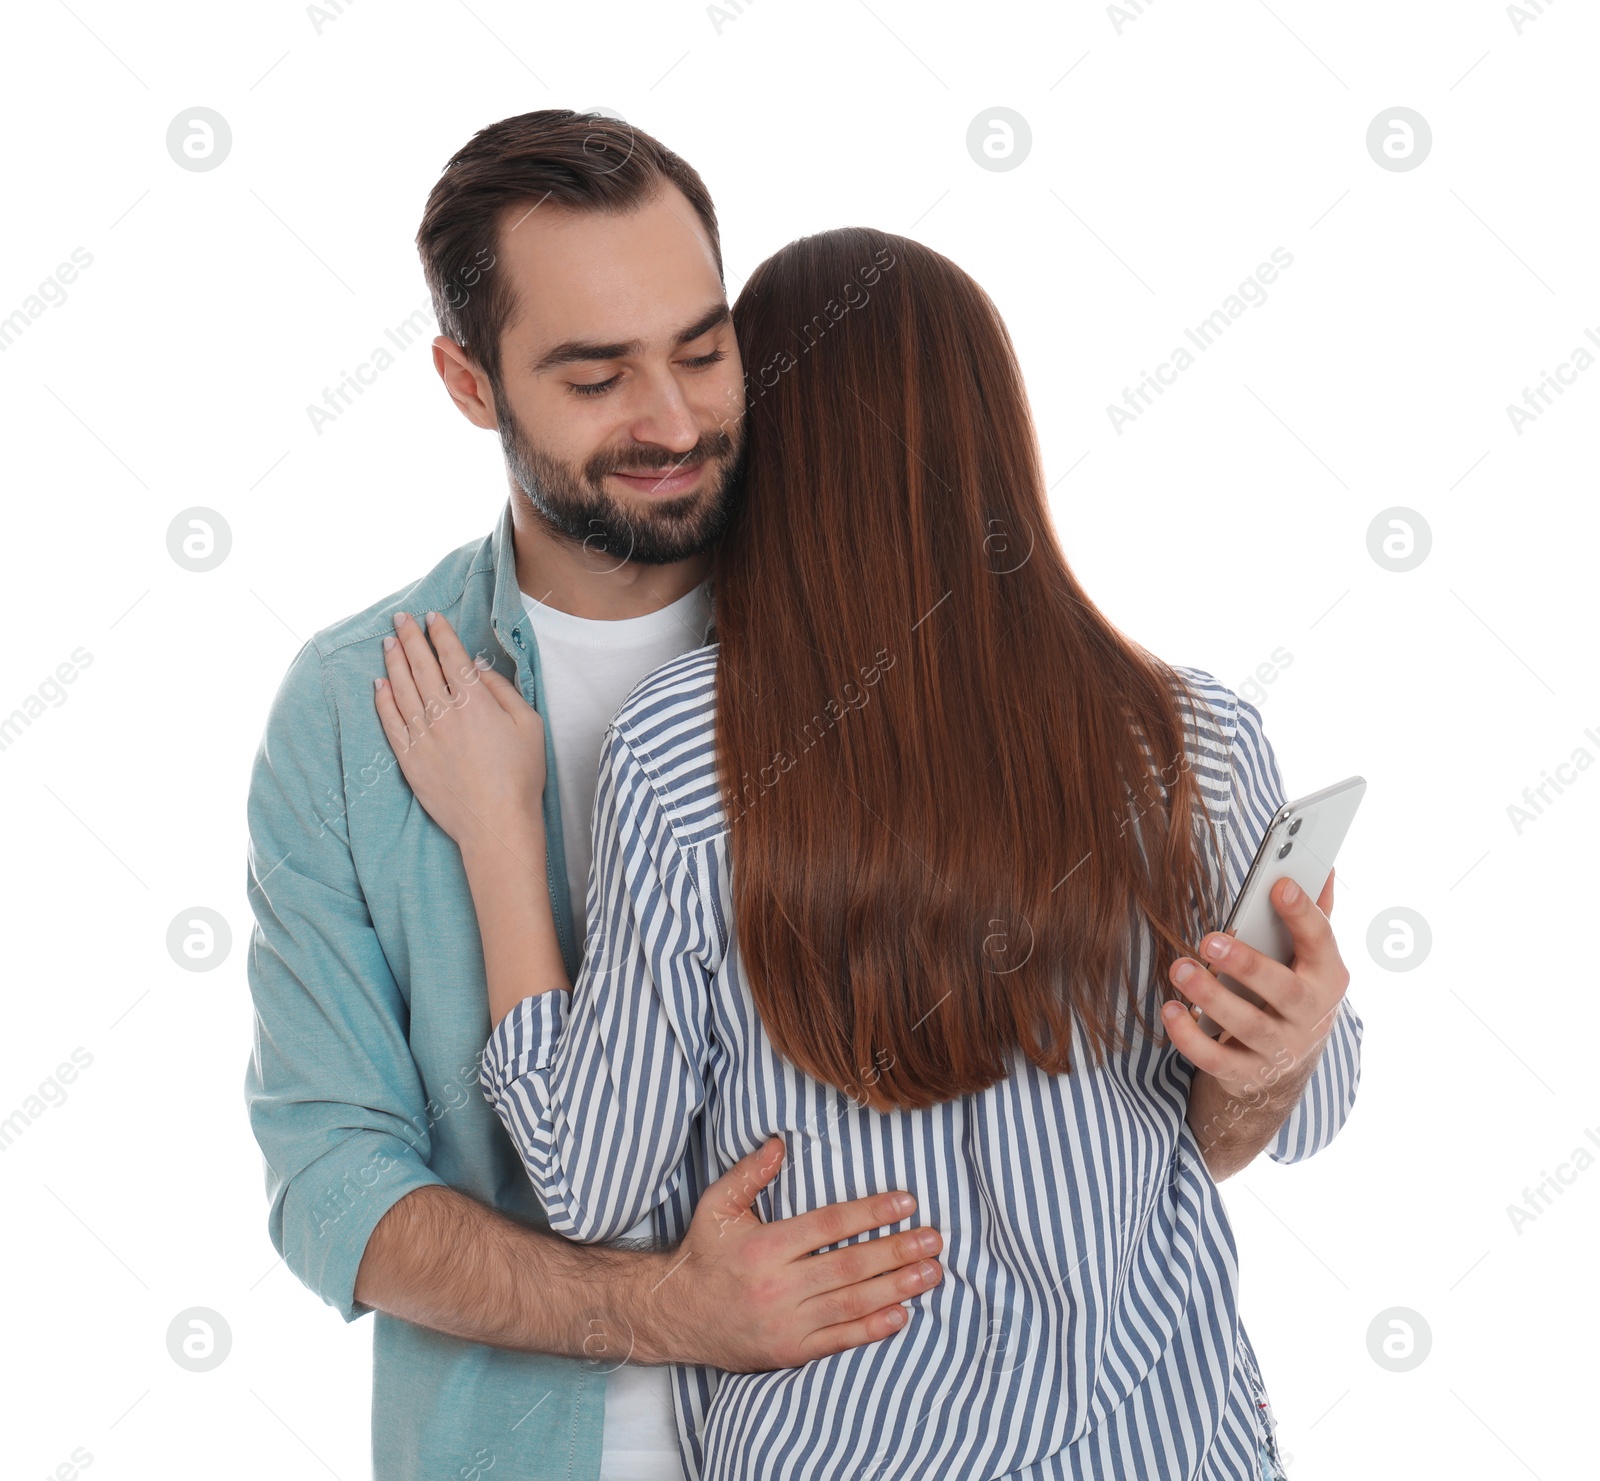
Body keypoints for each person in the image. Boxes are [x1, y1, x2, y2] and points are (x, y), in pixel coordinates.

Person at [372, 224, 1364, 1480]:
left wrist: (503, 835)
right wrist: (1287, 1055)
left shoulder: (683, 749)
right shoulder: (1184, 735)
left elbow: (593, 1176)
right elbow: (1300, 1113)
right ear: (999, 442)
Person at [243, 111, 946, 1481]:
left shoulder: (893, 646)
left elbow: (1061, 1109)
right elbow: (334, 1184)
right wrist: (664, 1313)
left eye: (701, 349)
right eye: (595, 377)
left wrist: (1253, 1074)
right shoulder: (347, 713)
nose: (675, 420)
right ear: (467, 380)